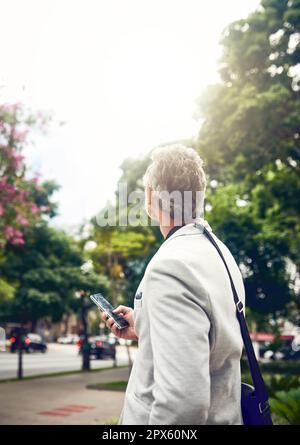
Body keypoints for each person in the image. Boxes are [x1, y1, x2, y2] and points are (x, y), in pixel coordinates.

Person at [102, 144, 245, 425]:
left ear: (151, 198)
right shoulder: (220, 253)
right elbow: (207, 340)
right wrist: (146, 326)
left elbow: (184, 405)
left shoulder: (170, 267)